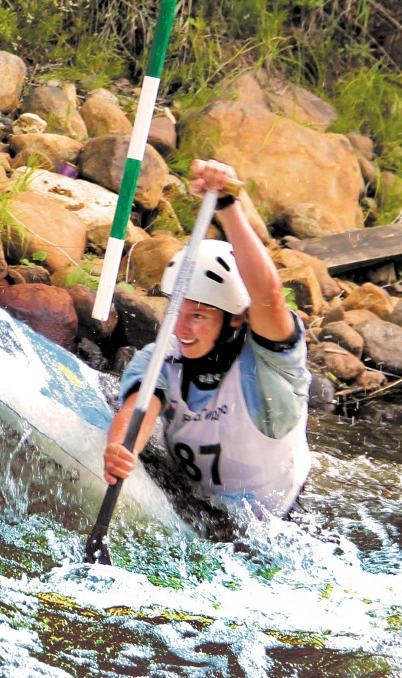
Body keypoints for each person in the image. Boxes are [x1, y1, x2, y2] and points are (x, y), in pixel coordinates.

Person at [102, 159, 312, 521]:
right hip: (197, 506)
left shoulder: (273, 364)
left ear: (234, 318)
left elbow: (268, 295)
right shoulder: (160, 360)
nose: (181, 328)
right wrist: (119, 449)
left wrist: (227, 206)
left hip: (279, 521)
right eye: (176, 311)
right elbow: (138, 412)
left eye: (198, 315)